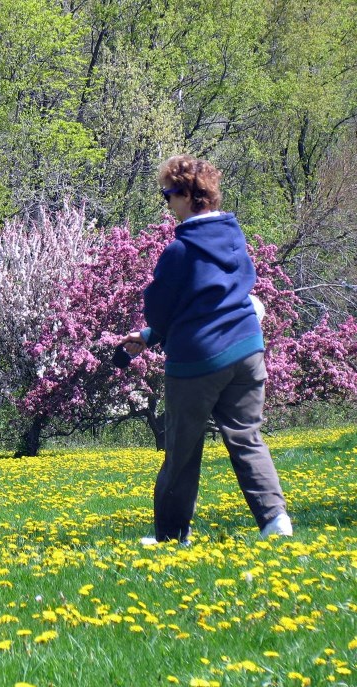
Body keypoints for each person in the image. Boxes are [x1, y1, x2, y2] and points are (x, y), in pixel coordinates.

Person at [120, 154, 292, 544]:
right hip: (248, 350)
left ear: (185, 196)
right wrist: (150, 336)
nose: (167, 205)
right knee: (247, 436)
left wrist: (153, 328)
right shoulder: (234, 236)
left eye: (167, 196)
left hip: (198, 361)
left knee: (182, 449)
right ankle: (275, 521)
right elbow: (216, 298)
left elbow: (161, 307)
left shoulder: (178, 252)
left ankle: (171, 535)